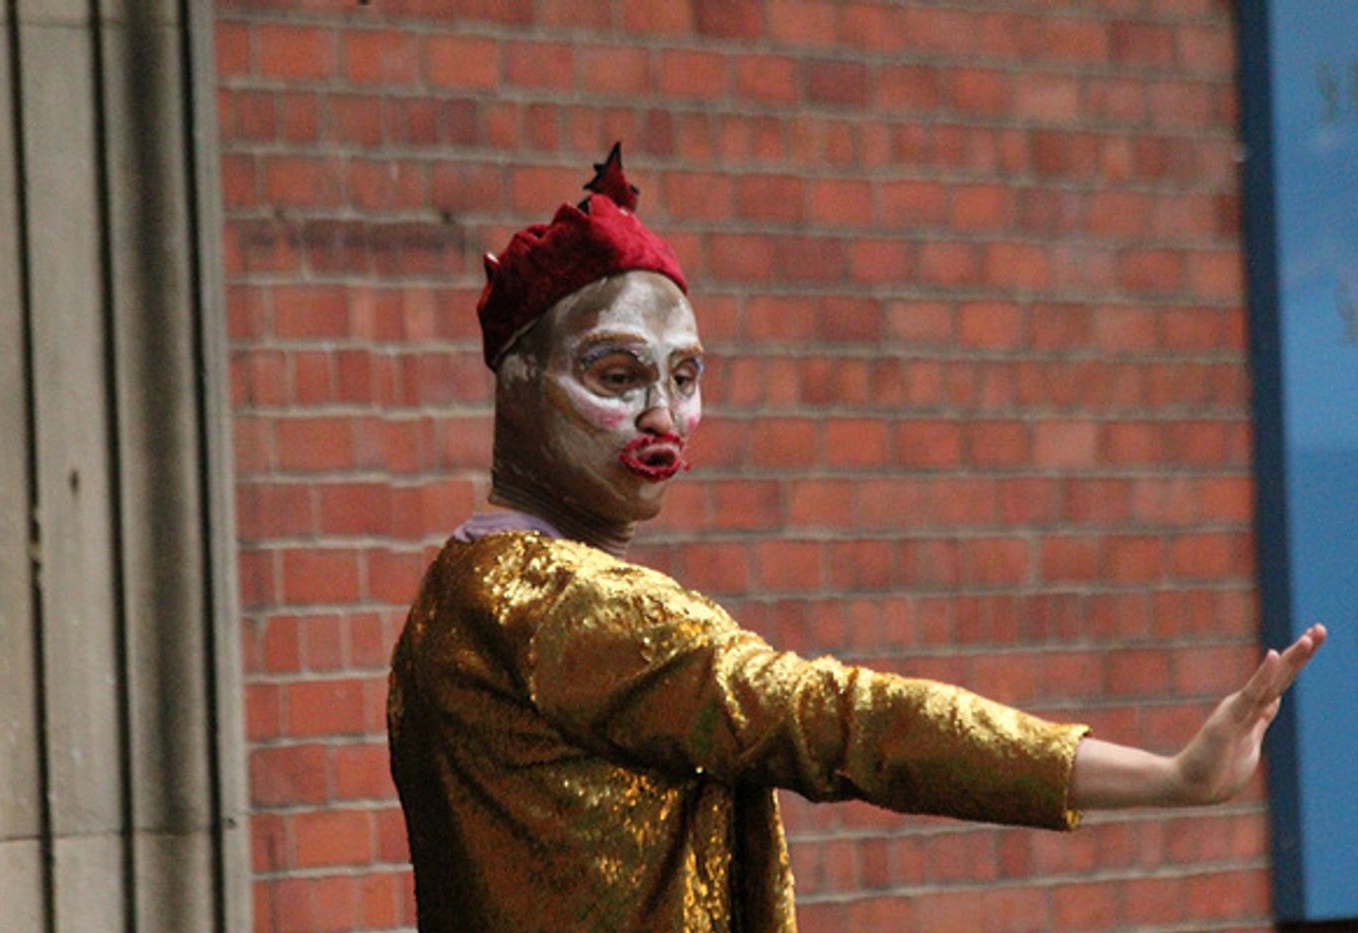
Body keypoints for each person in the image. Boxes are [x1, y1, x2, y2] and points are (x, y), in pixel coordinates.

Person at [387, 145, 1326, 931]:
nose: (662, 416)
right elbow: (849, 722)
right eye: (617, 372)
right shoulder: (567, 605)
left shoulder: (456, 592)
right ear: (517, 383)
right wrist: (1170, 776)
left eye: (685, 375)